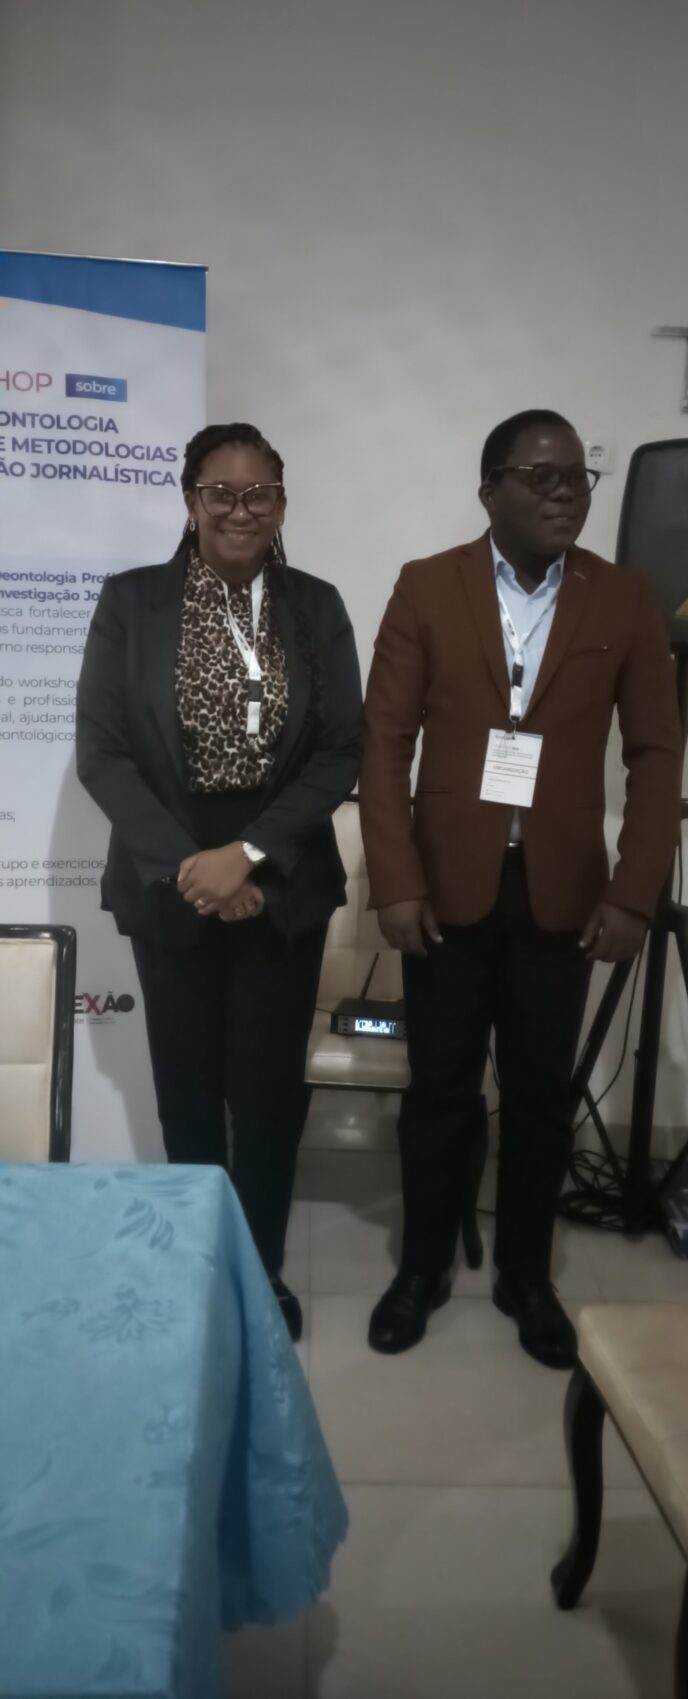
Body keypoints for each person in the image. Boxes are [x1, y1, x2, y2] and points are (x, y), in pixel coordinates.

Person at [359, 410, 682, 1368]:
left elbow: (657, 754)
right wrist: (395, 879)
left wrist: (634, 891)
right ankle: (422, 1267)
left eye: (577, 477)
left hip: (563, 895)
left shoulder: (622, 598)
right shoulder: (427, 585)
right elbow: (385, 743)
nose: (565, 493)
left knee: (541, 1099)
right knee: (440, 1094)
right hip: (444, 889)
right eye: (542, 477)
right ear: (490, 488)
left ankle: (526, 1277)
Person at [77, 422, 362, 1341]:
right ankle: (199, 1267)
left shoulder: (316, 606)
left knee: (269, 1097)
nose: (241, 511)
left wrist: (249, 853)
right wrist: (192, 865)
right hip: (169, 878)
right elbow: (103, 753)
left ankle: (259, 1269)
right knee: (188, 1094)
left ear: (281, 503)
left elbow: (341, 751)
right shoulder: (132, 602)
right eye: (221, 493)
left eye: (260, 494)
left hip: (282, 879)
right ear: (190, 499)